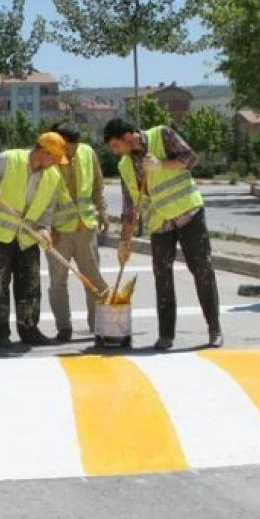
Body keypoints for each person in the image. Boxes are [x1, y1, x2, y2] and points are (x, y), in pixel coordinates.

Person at [102, 117, 223, 350]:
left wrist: (161, 164)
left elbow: (190, 158)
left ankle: (214, 329)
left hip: (188, 213)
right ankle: (166, 335)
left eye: (117, 146)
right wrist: (124, 241)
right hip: (159, 222)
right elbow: (130, 206)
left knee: (202, 270)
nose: (116, 152)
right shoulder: (125, 166)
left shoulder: (162, 135)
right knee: (162, 277)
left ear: (128, 136)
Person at [0, 131, 67, 348]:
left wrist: (44, 229)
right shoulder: (9, 159)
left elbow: (47, 210)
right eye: (53, 158)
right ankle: (1, 333)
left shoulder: (52, 176)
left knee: (30, 286)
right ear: (43, 152)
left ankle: (29, 330)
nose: (55, 163)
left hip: (27, 238)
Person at [45, 122, 110, 342]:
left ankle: (98, 326)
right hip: (58, 232)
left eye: (74, 147)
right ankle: (64, 328)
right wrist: (48, 228)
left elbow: (97, 184)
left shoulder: (87, 153)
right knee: (58, 282)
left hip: (85, 228)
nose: (71, 153)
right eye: (67, 148)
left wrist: (102, 211)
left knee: (93, 279)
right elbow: (40, 197)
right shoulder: (47, 158)